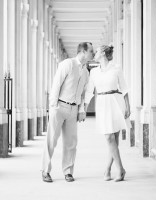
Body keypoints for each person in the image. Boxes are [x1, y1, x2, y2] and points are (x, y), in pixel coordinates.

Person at [41, 42, 94, 183]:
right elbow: (56, 84)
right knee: (51, 140)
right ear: (83, 51)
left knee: (71, 143)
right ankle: (45, 170)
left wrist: (81, 110)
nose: (93, 54)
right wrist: (53, 107)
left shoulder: (86, 72)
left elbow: (83, 94)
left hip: (73, 110)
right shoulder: (67, 64)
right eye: (91, 51)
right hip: (59, 106)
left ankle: (68, 172)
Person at [84, 45, 131, 182]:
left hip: (116, 102)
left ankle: (110, 170)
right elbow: (89, 91)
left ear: (103, 53)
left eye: (97, 51)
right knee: (109, 138)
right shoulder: (93, 72)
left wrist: (128, 106)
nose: (94, 53)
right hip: (102, 104)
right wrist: (84, 109)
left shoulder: (116, 68)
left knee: (113, 139)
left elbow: (124, 88)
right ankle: (119, 169)